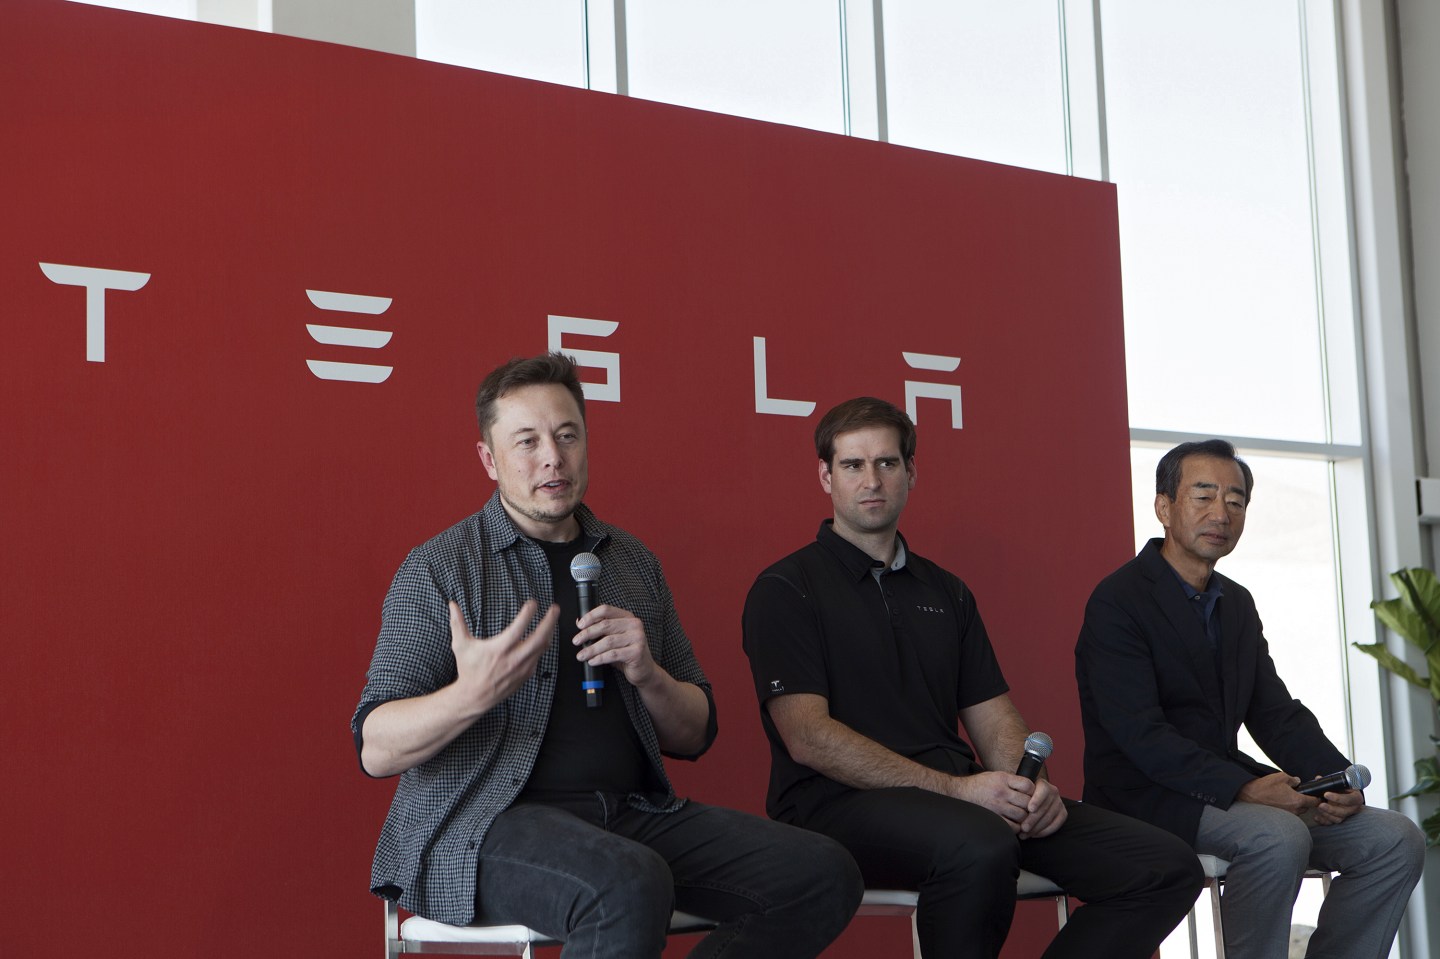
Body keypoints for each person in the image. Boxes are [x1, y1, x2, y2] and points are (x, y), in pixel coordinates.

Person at [351, 352, 862, 959]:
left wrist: (648, 675)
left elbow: (695, 732)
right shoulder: (441, 567)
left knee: (823, 873)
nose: (552, 457)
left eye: (567, 435)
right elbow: (374, 748)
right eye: (527, 441)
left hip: (629, 815)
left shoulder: (631, 563)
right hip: (486, 825)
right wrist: (470, 696)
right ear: (489, 459)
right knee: (627, 883)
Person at [741, 396, 1202, 959]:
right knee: (979, 843)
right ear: (825, 477)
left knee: (1165, 865)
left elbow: (993, 716)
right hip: (833, 807)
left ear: (911, 472)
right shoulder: (786, 588)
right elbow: (808, 737)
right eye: (853, 465)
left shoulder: (946, 591)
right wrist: (958, 790)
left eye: (887, 463)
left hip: (958, 802)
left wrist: (1031, 790)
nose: (872, 481)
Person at [1075, 439, 1425, 959]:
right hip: (1144, 795)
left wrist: (1337, 781)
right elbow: (1139, 734)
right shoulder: (1119, 600)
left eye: (1235, 501)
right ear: (1164, 507)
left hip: (1228, 791)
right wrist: (1244, 787)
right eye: (1203, 497)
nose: (1221, 514)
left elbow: (1276, 714)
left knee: (1393, 839)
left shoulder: (1235, 602)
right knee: (1277, 835)